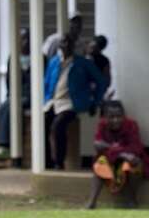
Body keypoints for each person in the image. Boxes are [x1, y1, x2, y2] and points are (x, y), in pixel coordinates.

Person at [44, 34, 107, 169]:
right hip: (53, 102)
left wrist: (95, 101)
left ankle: (59, 162)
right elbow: (46, 83)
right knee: (43, 124)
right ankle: (47, 161)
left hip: (71, 103)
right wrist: (45, 99)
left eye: (69, 42)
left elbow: (101, 81)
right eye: (63, 42)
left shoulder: (82, 63)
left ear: (73, 46)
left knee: (58, 125)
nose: (66, 45)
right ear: (59, 45)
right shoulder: (54, 62)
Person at [85, 101, 149, 209]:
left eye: (119, 116)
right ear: (105, 117)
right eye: (111, 117)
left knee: (132, 164)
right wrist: (121, 153)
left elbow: (136, 148)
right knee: (99, 165)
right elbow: (98, 145)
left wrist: (111, 148)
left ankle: (131, 200)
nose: (116, 120)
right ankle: (91, 202)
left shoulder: (131, 125)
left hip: (128, 160)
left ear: (124, 115)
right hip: (112, 160)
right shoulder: (102, 125)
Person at [0, 28, 36, 161]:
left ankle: (5, 145)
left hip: (31, 96)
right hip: (16, 95)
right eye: (22, 39)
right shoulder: (13, 58)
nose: (24, 42)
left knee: (13, 105)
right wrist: (11, 95)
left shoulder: (39, 58)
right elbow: (9, 80)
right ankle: (3, 146)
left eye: (27, 38)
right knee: (4, 107)